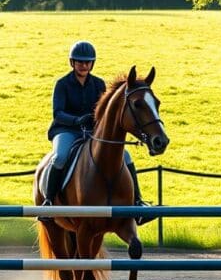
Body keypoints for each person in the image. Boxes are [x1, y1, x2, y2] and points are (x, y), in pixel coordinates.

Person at [43, 40, 145, 215]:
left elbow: (105, 112)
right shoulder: (62, 84)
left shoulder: (98, 84)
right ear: (72, 62)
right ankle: (49, 201)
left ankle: (138, 202)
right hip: (66, 130)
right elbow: (58, 113)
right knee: (60, 157)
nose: (84, 65)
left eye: (87, 62)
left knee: (126, 156)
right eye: (80, 62)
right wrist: (77, 120)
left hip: (92, 132)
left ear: (92, 63)